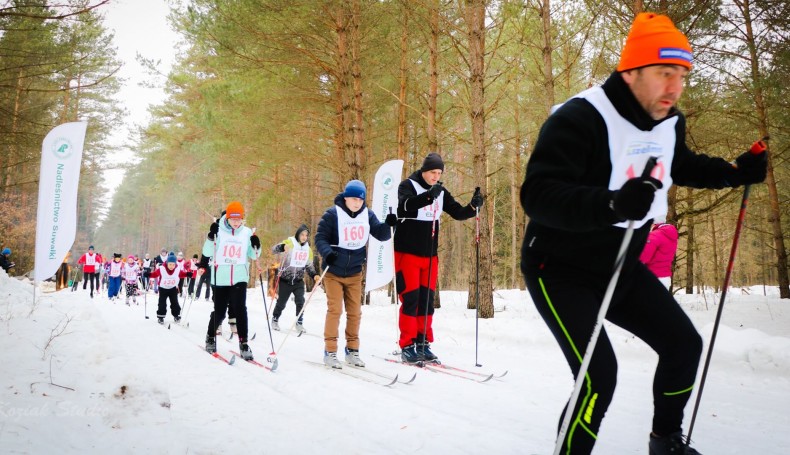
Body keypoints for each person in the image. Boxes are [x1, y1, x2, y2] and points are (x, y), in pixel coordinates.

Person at [518, 13, 768, 455]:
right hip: (557, 269)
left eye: (682, 76)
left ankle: (665, 441)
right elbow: (538, 195)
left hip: (620, 266)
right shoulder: (581, 117)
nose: (674, 87)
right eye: (664, 73)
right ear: (631, 71)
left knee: (683, 345)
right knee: (599, 378)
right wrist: (611, 202)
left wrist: (734, 173)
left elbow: (679, 164)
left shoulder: (669, 120)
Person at [392, 153, 483, 364]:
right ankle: (407, 344)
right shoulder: (408, 185)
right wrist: (427, 197)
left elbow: (458, 213)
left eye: (439, 173)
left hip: (430, 256)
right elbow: (404, 206)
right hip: (407, 253)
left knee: (426, 302)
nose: (435, 176)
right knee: (411, 300)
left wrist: (473, 206)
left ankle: (423, 342)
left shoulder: (440, 191)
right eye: (433, 172)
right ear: (424, 171)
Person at [314, 180, 392, 369]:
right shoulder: (332, 214)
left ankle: (352, 351)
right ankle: (330, 351)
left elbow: (381, 234)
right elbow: (320, 238)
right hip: (333, 271)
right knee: (335, 310)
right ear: (346, 197)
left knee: (355, 312)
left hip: (355, 272)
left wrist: (389, 225)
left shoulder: (367, 214)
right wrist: (327, 253)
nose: (357, 203)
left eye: (360, 199)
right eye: (353, 199)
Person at [197, 201, 261, 360]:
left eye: (239, 219)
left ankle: (244, 343)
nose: (236, 222)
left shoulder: (246, 232)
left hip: (239, 277)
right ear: (228, 218)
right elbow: (206, 252)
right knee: (219, 312)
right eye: (233, 219)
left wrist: (256, 245)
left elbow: (254, 256)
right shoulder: (219, 230)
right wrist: (211, 237)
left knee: (240, 310)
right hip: (221, 278)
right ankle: (210, 336)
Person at [270, 224, 321, 333]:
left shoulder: (308, 250)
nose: (304, 237)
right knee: (281, 303)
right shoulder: (290, 242)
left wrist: (314, 275)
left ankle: (299, 322)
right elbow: (273, 249)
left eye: (306, 235)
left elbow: (309, 266)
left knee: (300, 300)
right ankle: (275, 319)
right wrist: (282, 247)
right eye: (302, 234)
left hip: (298, 280)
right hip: (285, 280)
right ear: (298, 234)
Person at [639, 220, 679, 289]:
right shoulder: (672, 236)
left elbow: (644, 257)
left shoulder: (654, 235)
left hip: (652, 278)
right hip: (665, 277)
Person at [149, 252, 182, 324]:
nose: (171, 266)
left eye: (173, 264)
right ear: (167, 263)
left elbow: (182, 274)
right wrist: (148, 274)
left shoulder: (177, 269)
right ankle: (161, 316)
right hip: (163, 289)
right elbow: (155, 274)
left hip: (173, 288)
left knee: (175, 303)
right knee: (162, 303)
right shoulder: (162, 268)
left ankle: (176, 315)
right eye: (170, 264)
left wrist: (189, 274)